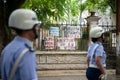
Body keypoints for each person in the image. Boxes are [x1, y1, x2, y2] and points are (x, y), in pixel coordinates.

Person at [1, 9, 41, 80]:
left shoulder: (7, 49)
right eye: (36, 26)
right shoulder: (26, 52)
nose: (37, 29)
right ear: (28, 26)